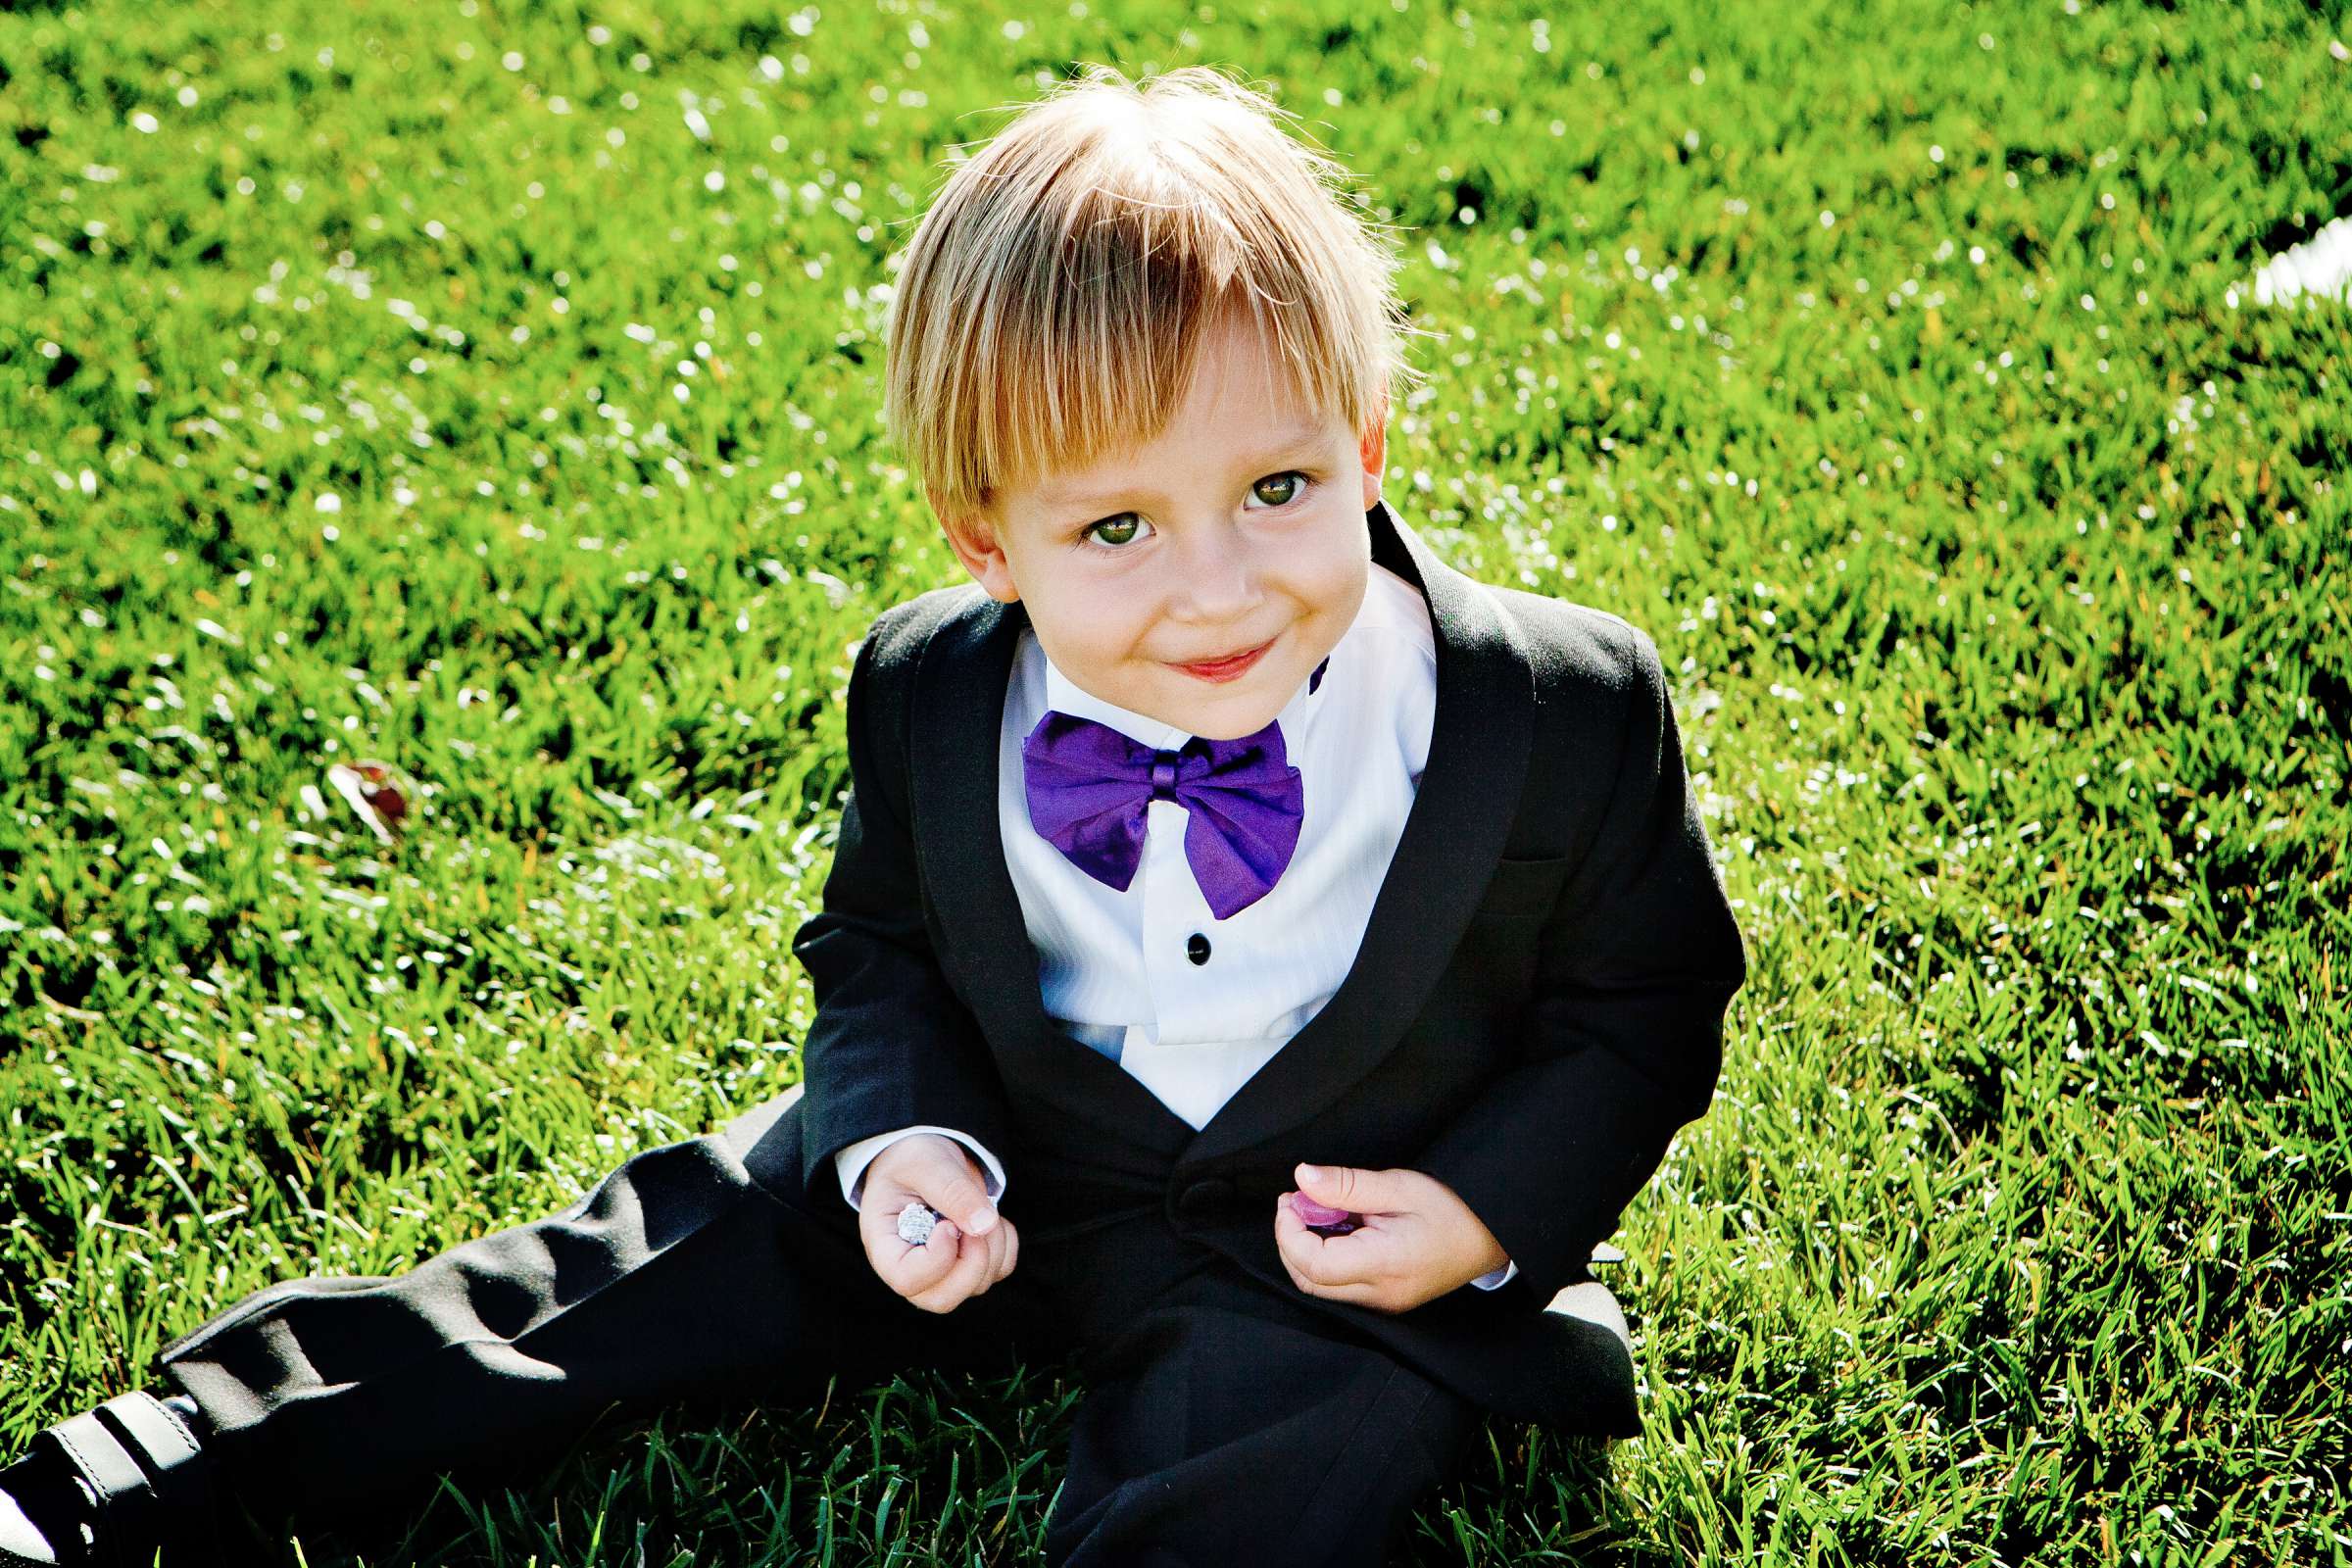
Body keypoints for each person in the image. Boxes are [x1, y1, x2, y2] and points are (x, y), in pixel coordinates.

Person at [0, 62, 1746, 1568]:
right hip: (1008, 1167)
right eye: (1114, 530)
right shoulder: (929, 689)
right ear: (985, 540)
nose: (1215, 589)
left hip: (1327, 1249)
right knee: (657, 1254)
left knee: (1276, 1455)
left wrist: (1481, 1214)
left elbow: (1642, 1008)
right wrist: (905, 1143)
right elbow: (882, 947)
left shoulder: (1558, 709)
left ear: (1368, 443)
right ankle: (145, 1468)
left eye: (1278, 489)